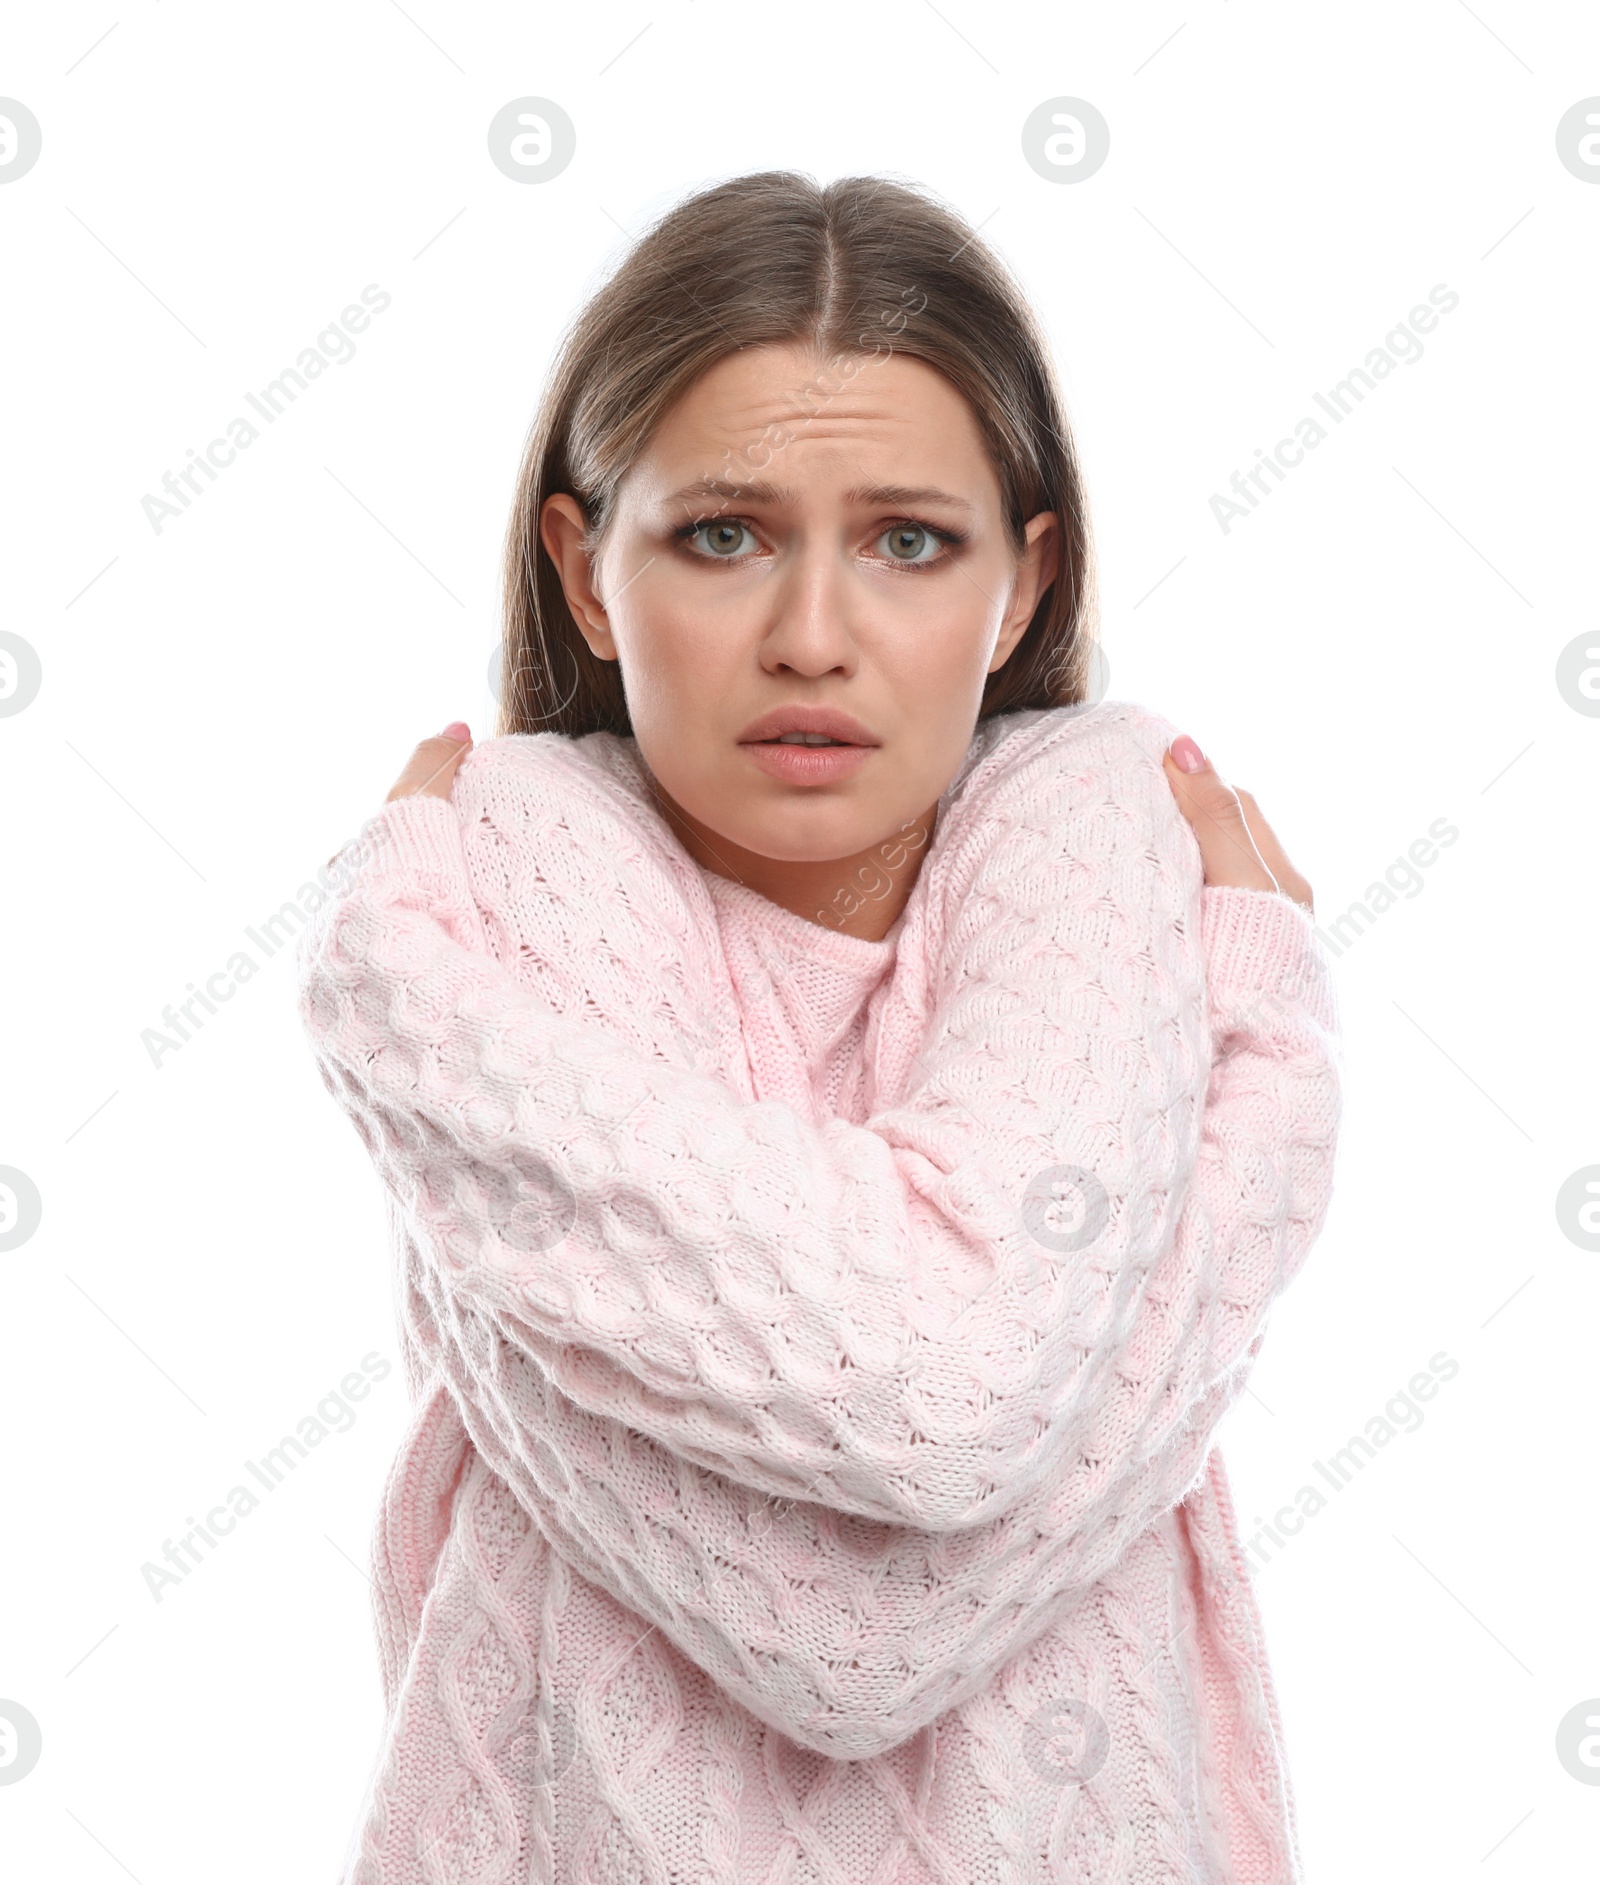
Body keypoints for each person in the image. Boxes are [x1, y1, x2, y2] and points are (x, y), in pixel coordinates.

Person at [296, 170, 1341, 1883]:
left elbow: (942, 1396)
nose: (810, 637)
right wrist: (1262, 1114)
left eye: (909, 541)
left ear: (1021, 585)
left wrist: (403, 1013)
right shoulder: (521, 858)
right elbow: (852, 1623)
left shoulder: (1093, 812)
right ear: (582, 570)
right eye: (722, 534)